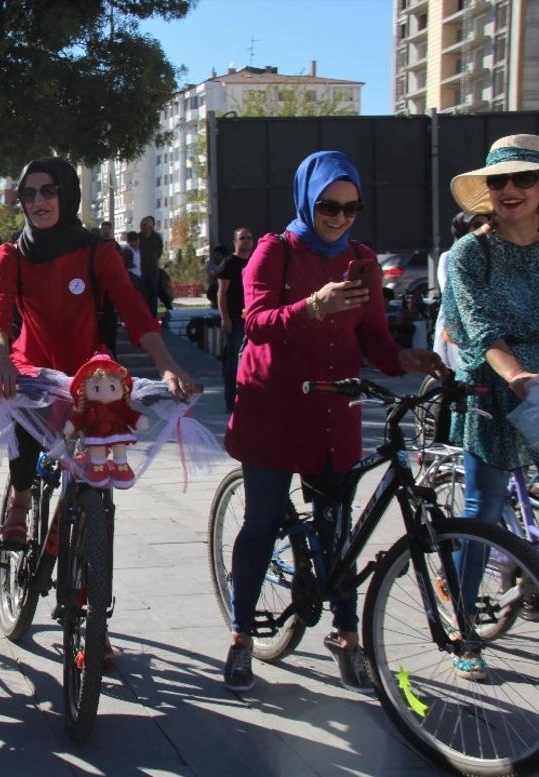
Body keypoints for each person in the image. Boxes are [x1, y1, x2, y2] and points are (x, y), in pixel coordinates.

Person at [222, 150, 444, 693]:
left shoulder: (362, 260)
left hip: (335, 409)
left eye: (351, 208)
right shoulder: (275, 251)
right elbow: (255, 324)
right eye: (329, 206)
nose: (340, 218)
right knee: (261, 521)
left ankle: (346, 635)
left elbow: (372, 336)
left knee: (338, 529)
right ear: (307, 199)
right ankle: (242, 636)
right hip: (275, 406)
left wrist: (403, 360)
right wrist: (312, 307)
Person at [0, 156, 194, 558]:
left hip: (90, 369)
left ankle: (76, 526)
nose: (38, 200)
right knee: (25, 424)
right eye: (29, 194)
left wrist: (167, 364)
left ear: (69, 193)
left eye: (48, 191)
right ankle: (22, 500)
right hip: (31, 364)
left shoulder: (98, 251)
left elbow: (134, 308)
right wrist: (0, 356)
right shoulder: (11, 255)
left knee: (95, 450)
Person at [441, 134, 539, 680]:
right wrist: (519, 377)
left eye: (523, 178)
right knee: (482, 511)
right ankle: (462, 626)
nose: (509, 190)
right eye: (498, 180)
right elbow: (480, 331)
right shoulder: (470, 253)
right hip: (492, 387)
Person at [433, 211, 490, 371]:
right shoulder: (450, 256)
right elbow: (452, 289)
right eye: (476, 225)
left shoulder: (494, 255)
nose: (483, 229)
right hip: (460, 320)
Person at [217, 227, 255, 412]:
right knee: (233, 362)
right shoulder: (229, 264)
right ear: (235, 242)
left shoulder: (255, 262)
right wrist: (225, 318)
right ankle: (231, 404)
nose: (246, 241)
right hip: (234, 319)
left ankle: (249, 401)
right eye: (242, 238)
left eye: (249, 238)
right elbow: (221, 294)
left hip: (253, 319)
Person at [138, 216, 164, 319]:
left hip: (153, 269)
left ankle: (153, 317)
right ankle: (142, 316)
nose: (142, 227)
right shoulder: (138, 237)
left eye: (144, 225)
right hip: (140, 270)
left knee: (153, 293)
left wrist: (153, 259)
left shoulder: (156, 237)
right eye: (141, 225)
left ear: (150, 226)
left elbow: (160, 250)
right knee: (142, 293)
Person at [206, 244, 229, 309]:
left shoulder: (229, 264)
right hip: (214, 292)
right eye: (215, 254)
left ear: (224, 256)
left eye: (218, 254)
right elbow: (214, 275)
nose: (215, 256)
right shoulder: (211, 265)